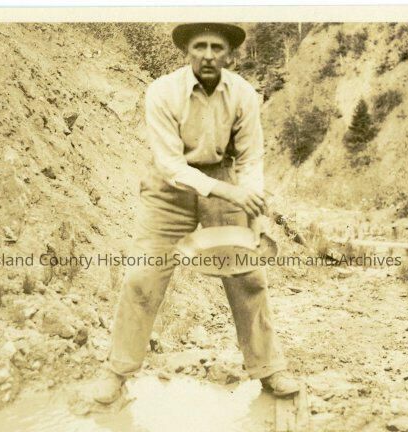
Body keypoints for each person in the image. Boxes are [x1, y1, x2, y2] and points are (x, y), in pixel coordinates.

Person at [92, 23, 301, 404]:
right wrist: (230, 192)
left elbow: (251, 157)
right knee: (142, 277)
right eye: (199, 46)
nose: (207, 55)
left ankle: (269, 368)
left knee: (248, 276)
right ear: (186, 51)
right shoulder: (162, 91)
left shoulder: (243, 94)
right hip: (168, 189)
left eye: (216, 47)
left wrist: (252, 203)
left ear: (229, 54)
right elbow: (171, 165)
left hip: (223, 178)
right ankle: (116, 371)